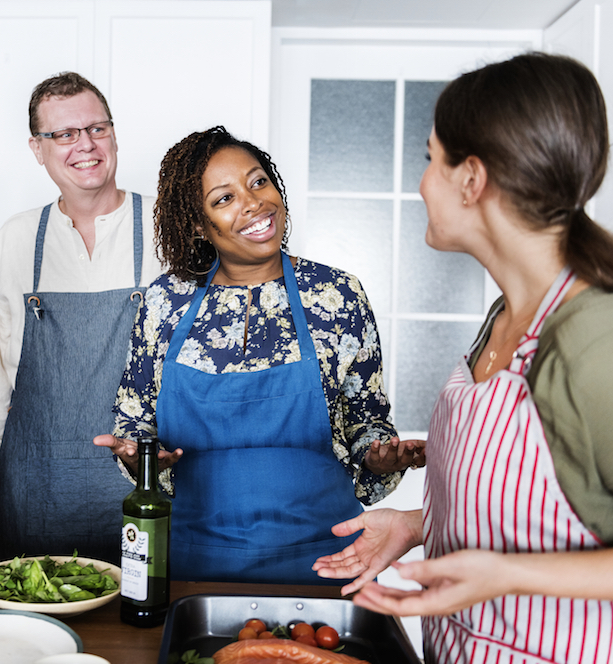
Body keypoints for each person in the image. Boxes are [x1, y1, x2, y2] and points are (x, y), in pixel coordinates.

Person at [313, 53, 613, 663]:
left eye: (429, 159)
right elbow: (543, 500)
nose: (421, 182)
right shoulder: (507, 316)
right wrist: (418, 526)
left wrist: (512, 575)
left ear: (472, 179)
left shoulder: (605, 343)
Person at [93, 126, 425, 585]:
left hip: (328, 557)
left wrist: (381, 455)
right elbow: (133, 422)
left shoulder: (337, 295)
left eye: (258, 182)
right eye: (224, 199)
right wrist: (139, 456)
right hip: (191, 559)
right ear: (197, 223)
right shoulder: (164, 303)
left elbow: (366, 419)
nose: (253, 204)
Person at [0, 72, 164, 563]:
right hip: (37, 486)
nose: (85, 145)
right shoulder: (17, 237)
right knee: (35, 626)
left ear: (114, 133)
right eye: (64, 134)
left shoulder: (166, 228)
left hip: (146, 480)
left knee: (139, 625)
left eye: (97, 128)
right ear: (37, 147)